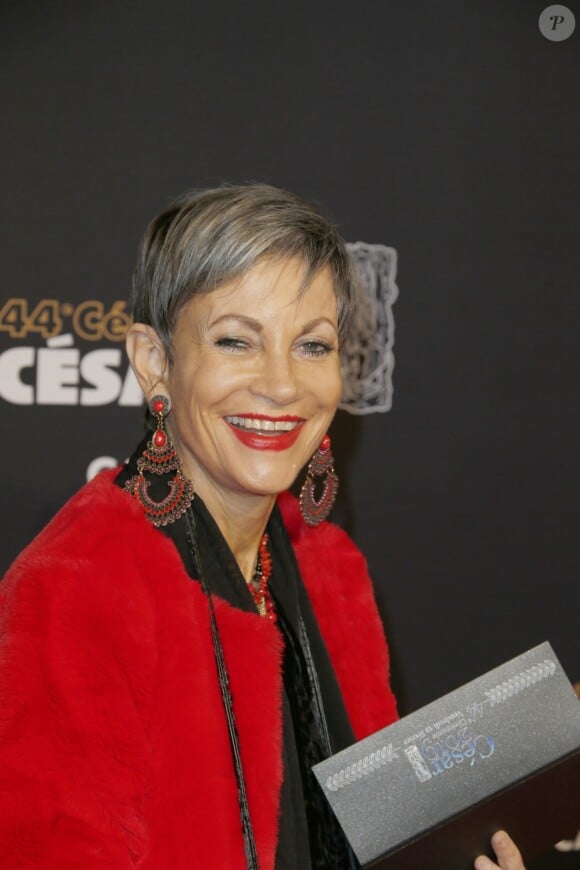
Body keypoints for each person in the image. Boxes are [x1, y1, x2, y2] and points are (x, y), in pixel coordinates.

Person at [0, 184, 525, 869]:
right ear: (155, 361)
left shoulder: (329, 570)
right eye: (235, 341)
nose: (282, 385)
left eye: (312, 346)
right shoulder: (77, 587)